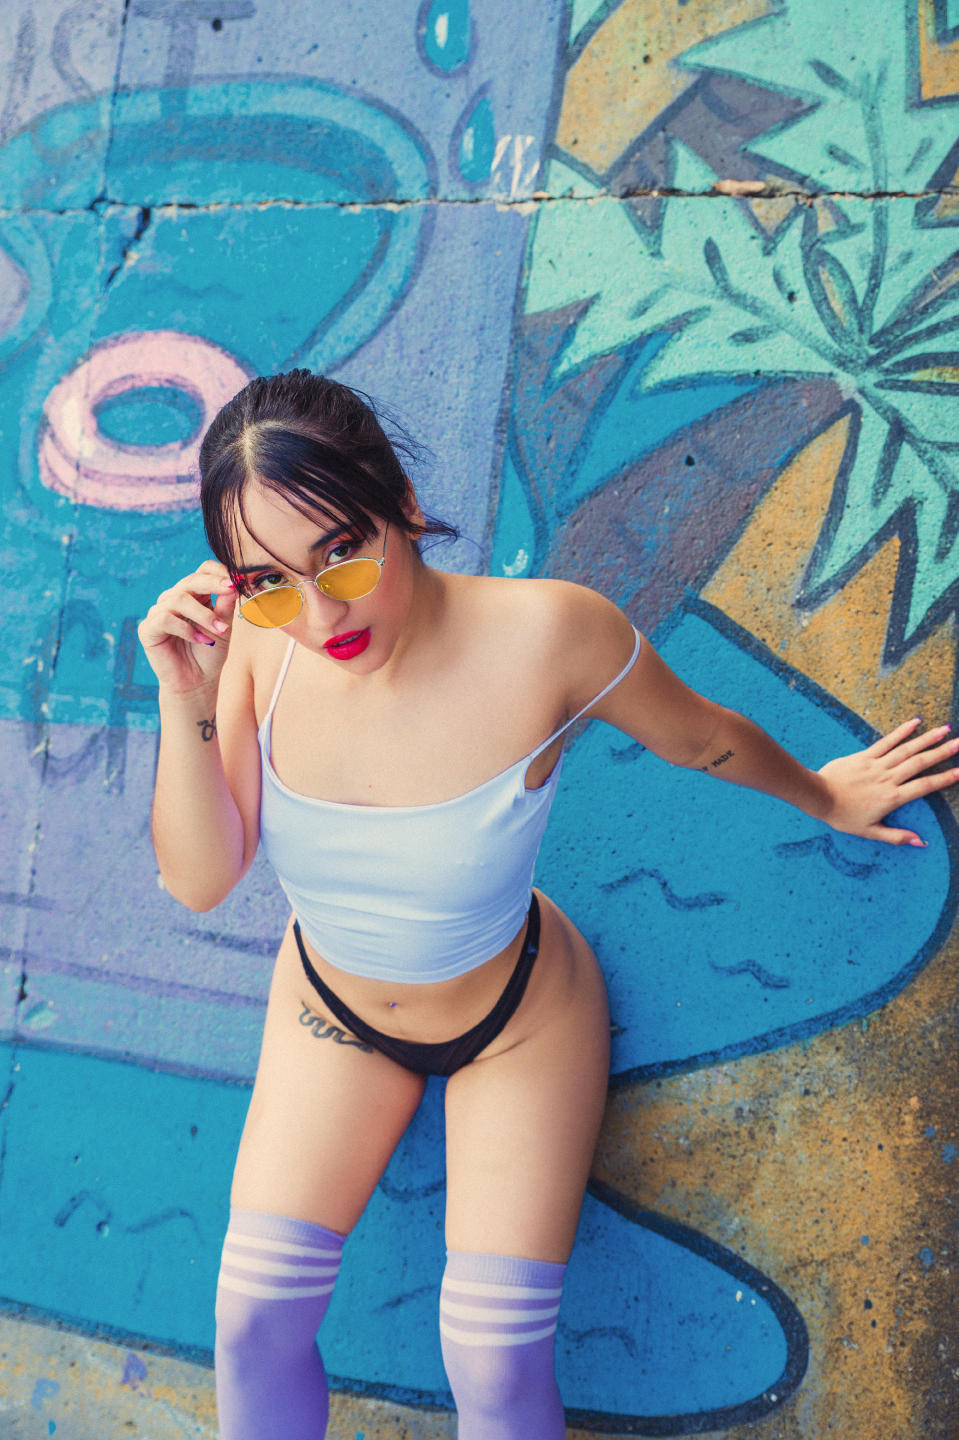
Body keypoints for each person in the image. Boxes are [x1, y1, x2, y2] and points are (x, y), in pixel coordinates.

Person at [138, 370, 958, 1439]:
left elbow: (701, 738)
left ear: (400, 505)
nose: (322, 612)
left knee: (489, 1360)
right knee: (251, 1322)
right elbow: (201, 879)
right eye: (272, 582)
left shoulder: (550, 636)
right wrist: (186, 696)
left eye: (343, 551)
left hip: (516, 1020)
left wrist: (823, 793)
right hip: (329, 1014)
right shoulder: (257, 644)